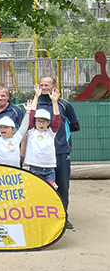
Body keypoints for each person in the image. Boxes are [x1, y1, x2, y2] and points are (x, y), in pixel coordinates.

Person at [35, 76, 79, 229]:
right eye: (41, 85)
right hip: (40, 155)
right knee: (40, 185)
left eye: (47, 84)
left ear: (54, 85)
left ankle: (63, 217)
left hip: (60, 152)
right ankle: (43, 216)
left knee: (62, 185)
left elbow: (75, 126)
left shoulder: (65, 105)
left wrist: (60, 137)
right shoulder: (35, 104)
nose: (44, 87)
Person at [24, 86, 62, 186]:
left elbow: (57, 120)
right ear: (35, 121)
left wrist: (54, 102)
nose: (41, 124)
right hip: (35, 167)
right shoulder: (31, 132)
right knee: (35, 191)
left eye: (44, 121)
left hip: (49, 169)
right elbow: (31, 115)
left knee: (50, 192)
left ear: (48, 122)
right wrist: (36, 96)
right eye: (39, 121)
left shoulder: (51, 133)